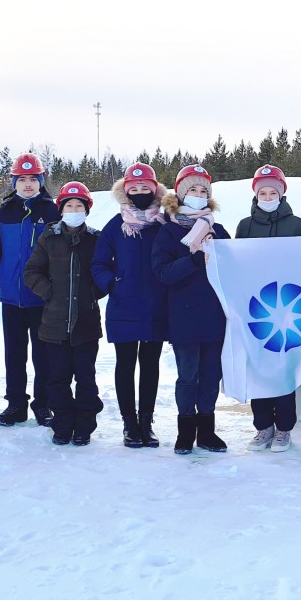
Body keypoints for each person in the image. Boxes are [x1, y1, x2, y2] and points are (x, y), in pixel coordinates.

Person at [152, 164, 232, 455]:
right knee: (188, 376)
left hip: (214, 317)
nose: (198, 195)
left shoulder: (218, 230)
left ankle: (207, 432)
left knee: (211, 376)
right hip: (184, 317)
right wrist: (193, 260)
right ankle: (185, 431)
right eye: (193, 190)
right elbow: (162, 272)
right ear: (181, 194)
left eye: (203, 191)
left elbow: (233, 269)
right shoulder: (169, 232)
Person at [92, 162, 169, 448]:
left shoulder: (164, 223)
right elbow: (99, 263)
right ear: (125, 192)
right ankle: (129, 424)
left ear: (154, 190)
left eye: (144, 188)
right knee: (125, 365)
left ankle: (146, 423)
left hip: (156, 306)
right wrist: (112, 283)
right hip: (123, 306)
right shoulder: (115, 226)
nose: (139, 192)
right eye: (133, 188)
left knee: (150, 366)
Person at [24, 182, 105, 446]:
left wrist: (93, 293)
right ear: (61, 209)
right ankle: (62, 425)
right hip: (54, 325)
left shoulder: (96, 239)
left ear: (86, 210)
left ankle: (84, 426)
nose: (73, 210)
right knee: (57, 378)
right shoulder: (49, 237)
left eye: (79, 206)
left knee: (85, 378)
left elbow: (104, 273)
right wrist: (51, 293)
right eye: (69, 205)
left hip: (86, 324)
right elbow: (31, 272)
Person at [234, 164, 301, 453]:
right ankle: (263, 426)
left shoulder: (296, 224)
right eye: (261, 192)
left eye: (272, 191)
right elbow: (236, 262)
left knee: (283, 366)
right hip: (256, 307)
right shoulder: (244, 225)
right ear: (255, 195)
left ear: (281, 193)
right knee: (259, 367)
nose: (267, 196)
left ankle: (284, 429)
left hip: (287, 304)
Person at [0, 153, 59, 427]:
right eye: (22, 179)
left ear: (40, 181)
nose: (28, 184)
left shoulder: (52, 212)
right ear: (14, 182)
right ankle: (15, 405)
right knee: (14, 355)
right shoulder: (4, 212)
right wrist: (0, 277)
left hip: (42, 299)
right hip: (11, 298)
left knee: (44, 355)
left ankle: (44, 405)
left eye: (33, 179)